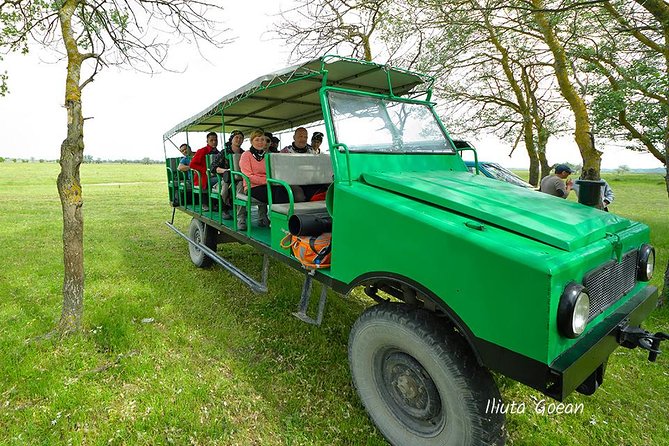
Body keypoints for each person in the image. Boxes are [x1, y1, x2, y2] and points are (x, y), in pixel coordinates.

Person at [238, 129, 293, 230]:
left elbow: (273, 172)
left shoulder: (267, 155)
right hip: (252, 187)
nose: (260, 142)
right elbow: (249, 176)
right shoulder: (246, 155)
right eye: (257, 139)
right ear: (251, 141)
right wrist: (268, 180)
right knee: (276, 193)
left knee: (283, 190)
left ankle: (284, 220)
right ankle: (277, 223)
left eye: (263, 140)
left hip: (268, 184)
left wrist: (271, 180)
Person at [209, 130, 245, 220]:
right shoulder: (224, 153)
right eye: (236, 137)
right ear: (231, 139)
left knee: (242, 186)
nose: (239, 139)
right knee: (225, 188)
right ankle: (224, 209)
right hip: (226, 178)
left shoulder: (244, 153)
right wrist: (226, 170)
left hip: (240, 178)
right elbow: (213, 167)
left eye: (241, 138)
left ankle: (240, 212)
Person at [190, 132, 220, 211]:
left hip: (215, 175)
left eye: (215, 140)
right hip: (203, 177)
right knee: (221, 180)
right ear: (207, 141)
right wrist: (205, 170)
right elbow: (192, 164)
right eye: (211, 140)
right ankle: (208, 203)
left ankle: (220, 203)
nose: (214, 142)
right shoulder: (202, 151)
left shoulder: (219, 152)